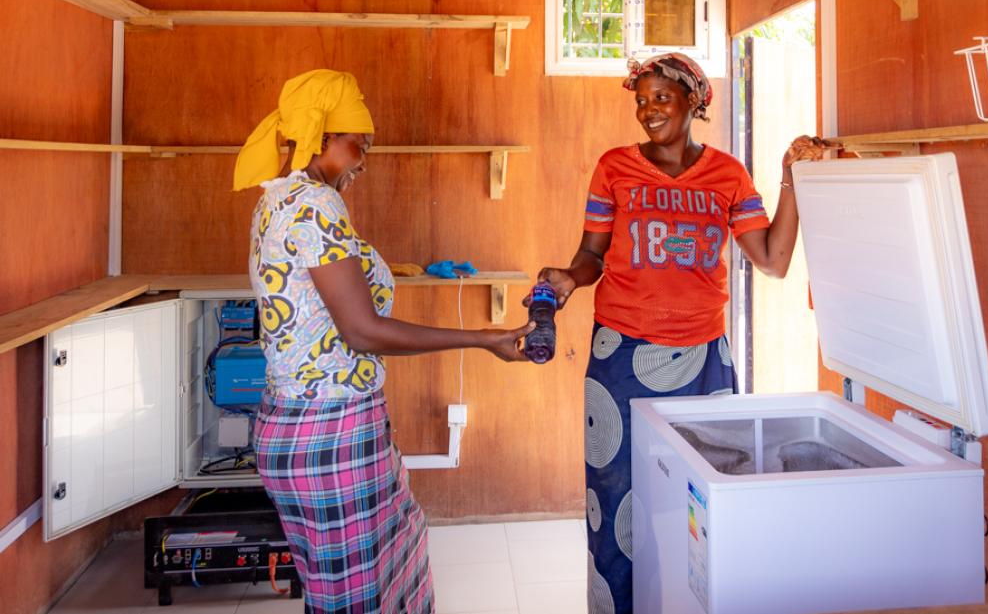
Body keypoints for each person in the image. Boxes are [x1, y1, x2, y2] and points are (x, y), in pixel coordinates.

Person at [532, 53, 825, 614]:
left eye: (661, 98)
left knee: (707, 497)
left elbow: (772, 259)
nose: (648, 110)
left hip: (703, 358)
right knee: (616, 498)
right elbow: (592, 254)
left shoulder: (728, 175)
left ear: (695, 100)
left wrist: (791, 179)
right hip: (620, 352)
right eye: (641, 100)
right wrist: (570, 278)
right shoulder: (614, 167)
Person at [233, 68, 533, 613]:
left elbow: (318, 303)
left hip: (306, 423)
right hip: (330, 431)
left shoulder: (275, 200)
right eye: (359, 145)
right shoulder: (316, 205)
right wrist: (482, 339)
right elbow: (362, 330)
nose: (364, 158)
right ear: (324, 136)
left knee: (375, 576)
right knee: (359, 598)